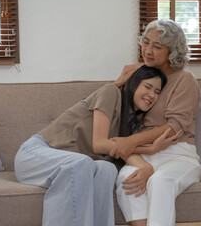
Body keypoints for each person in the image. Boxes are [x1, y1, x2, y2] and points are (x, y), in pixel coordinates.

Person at [14, 66, 169, 226]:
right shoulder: (111, 92)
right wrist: (145, 165)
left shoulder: (132, 125)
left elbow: (120, 148)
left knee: (106, 169)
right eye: (148, 87)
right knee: (82, 163)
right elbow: (100, 144)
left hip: (71, 165)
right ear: (134, 83)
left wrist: (149, 150)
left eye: (157, 91)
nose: (152, 95)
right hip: (35, 155)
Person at [112, 19, 201, 226]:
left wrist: (131, 141)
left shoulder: (185, 79)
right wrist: (119, 81)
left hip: (178, 153)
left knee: (160, 181)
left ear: (172, 51)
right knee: (128, 179)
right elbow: (111, 109)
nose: (148, 50)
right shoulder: (140, 77)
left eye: (157, 46)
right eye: (145, 42)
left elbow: (175, 127)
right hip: (145, 153)